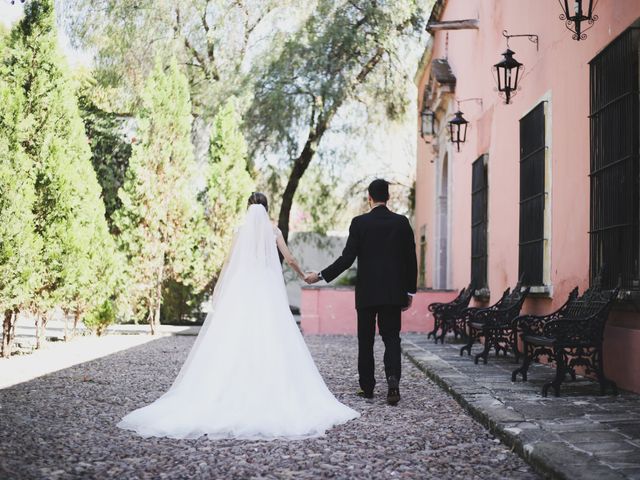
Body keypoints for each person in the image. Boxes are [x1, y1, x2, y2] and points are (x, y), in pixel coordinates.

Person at [118, 193, 359, 440]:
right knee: (271, 334)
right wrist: (303, 275)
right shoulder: (273, 231)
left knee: (234, 335)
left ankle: (224, 390)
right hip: (266, 290)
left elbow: (228, 261)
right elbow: (289, 258)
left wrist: (219, 289)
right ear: (267, 209)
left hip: (242, 290)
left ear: (247, 208)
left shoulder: (240, 231)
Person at [305, 179, 418, 406]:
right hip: (393, 294)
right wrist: (409, 291)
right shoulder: (401, 222)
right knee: (392, 338)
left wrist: (321, 275)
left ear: (369, 198)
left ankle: (367, 388)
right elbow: (411, 260)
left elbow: (347, 259)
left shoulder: (359, 223)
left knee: (365, 341)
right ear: (388, 197)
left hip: (367, 294)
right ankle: (393, 381)